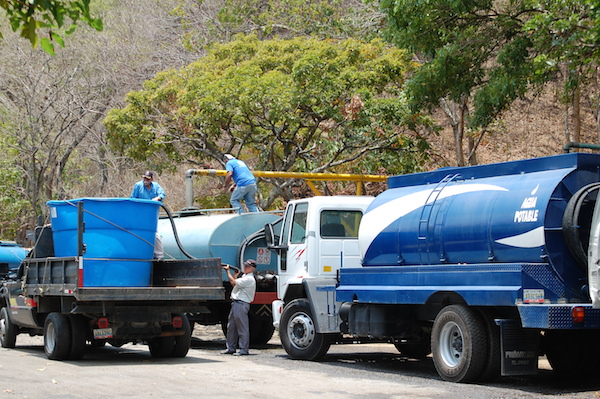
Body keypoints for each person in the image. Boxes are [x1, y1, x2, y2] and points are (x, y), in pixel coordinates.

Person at [221, 259, 257, 356]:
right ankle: (231, 348)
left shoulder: (249, 279)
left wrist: (227, 272)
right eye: (245, 265)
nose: (245, 267)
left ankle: (244, 349)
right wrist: (236, 276)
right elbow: (235, 283)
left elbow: (233, 282)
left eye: (247, 266)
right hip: (236, 303)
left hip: (241, 303)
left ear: (252, 268)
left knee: (242, 327)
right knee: (231, 327)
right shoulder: (245, 276)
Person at [130, 170, 165, 259]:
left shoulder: (156, 186)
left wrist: (155, 199)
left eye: (147, 178)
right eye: (144, 178)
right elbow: (132, 199)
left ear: (151, 179)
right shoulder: (138, 186)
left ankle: (159, 256)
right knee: (141, 234)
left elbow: (162, 194)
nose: (145, 180)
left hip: (152, 214)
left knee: (155, 234)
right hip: (140, 214)